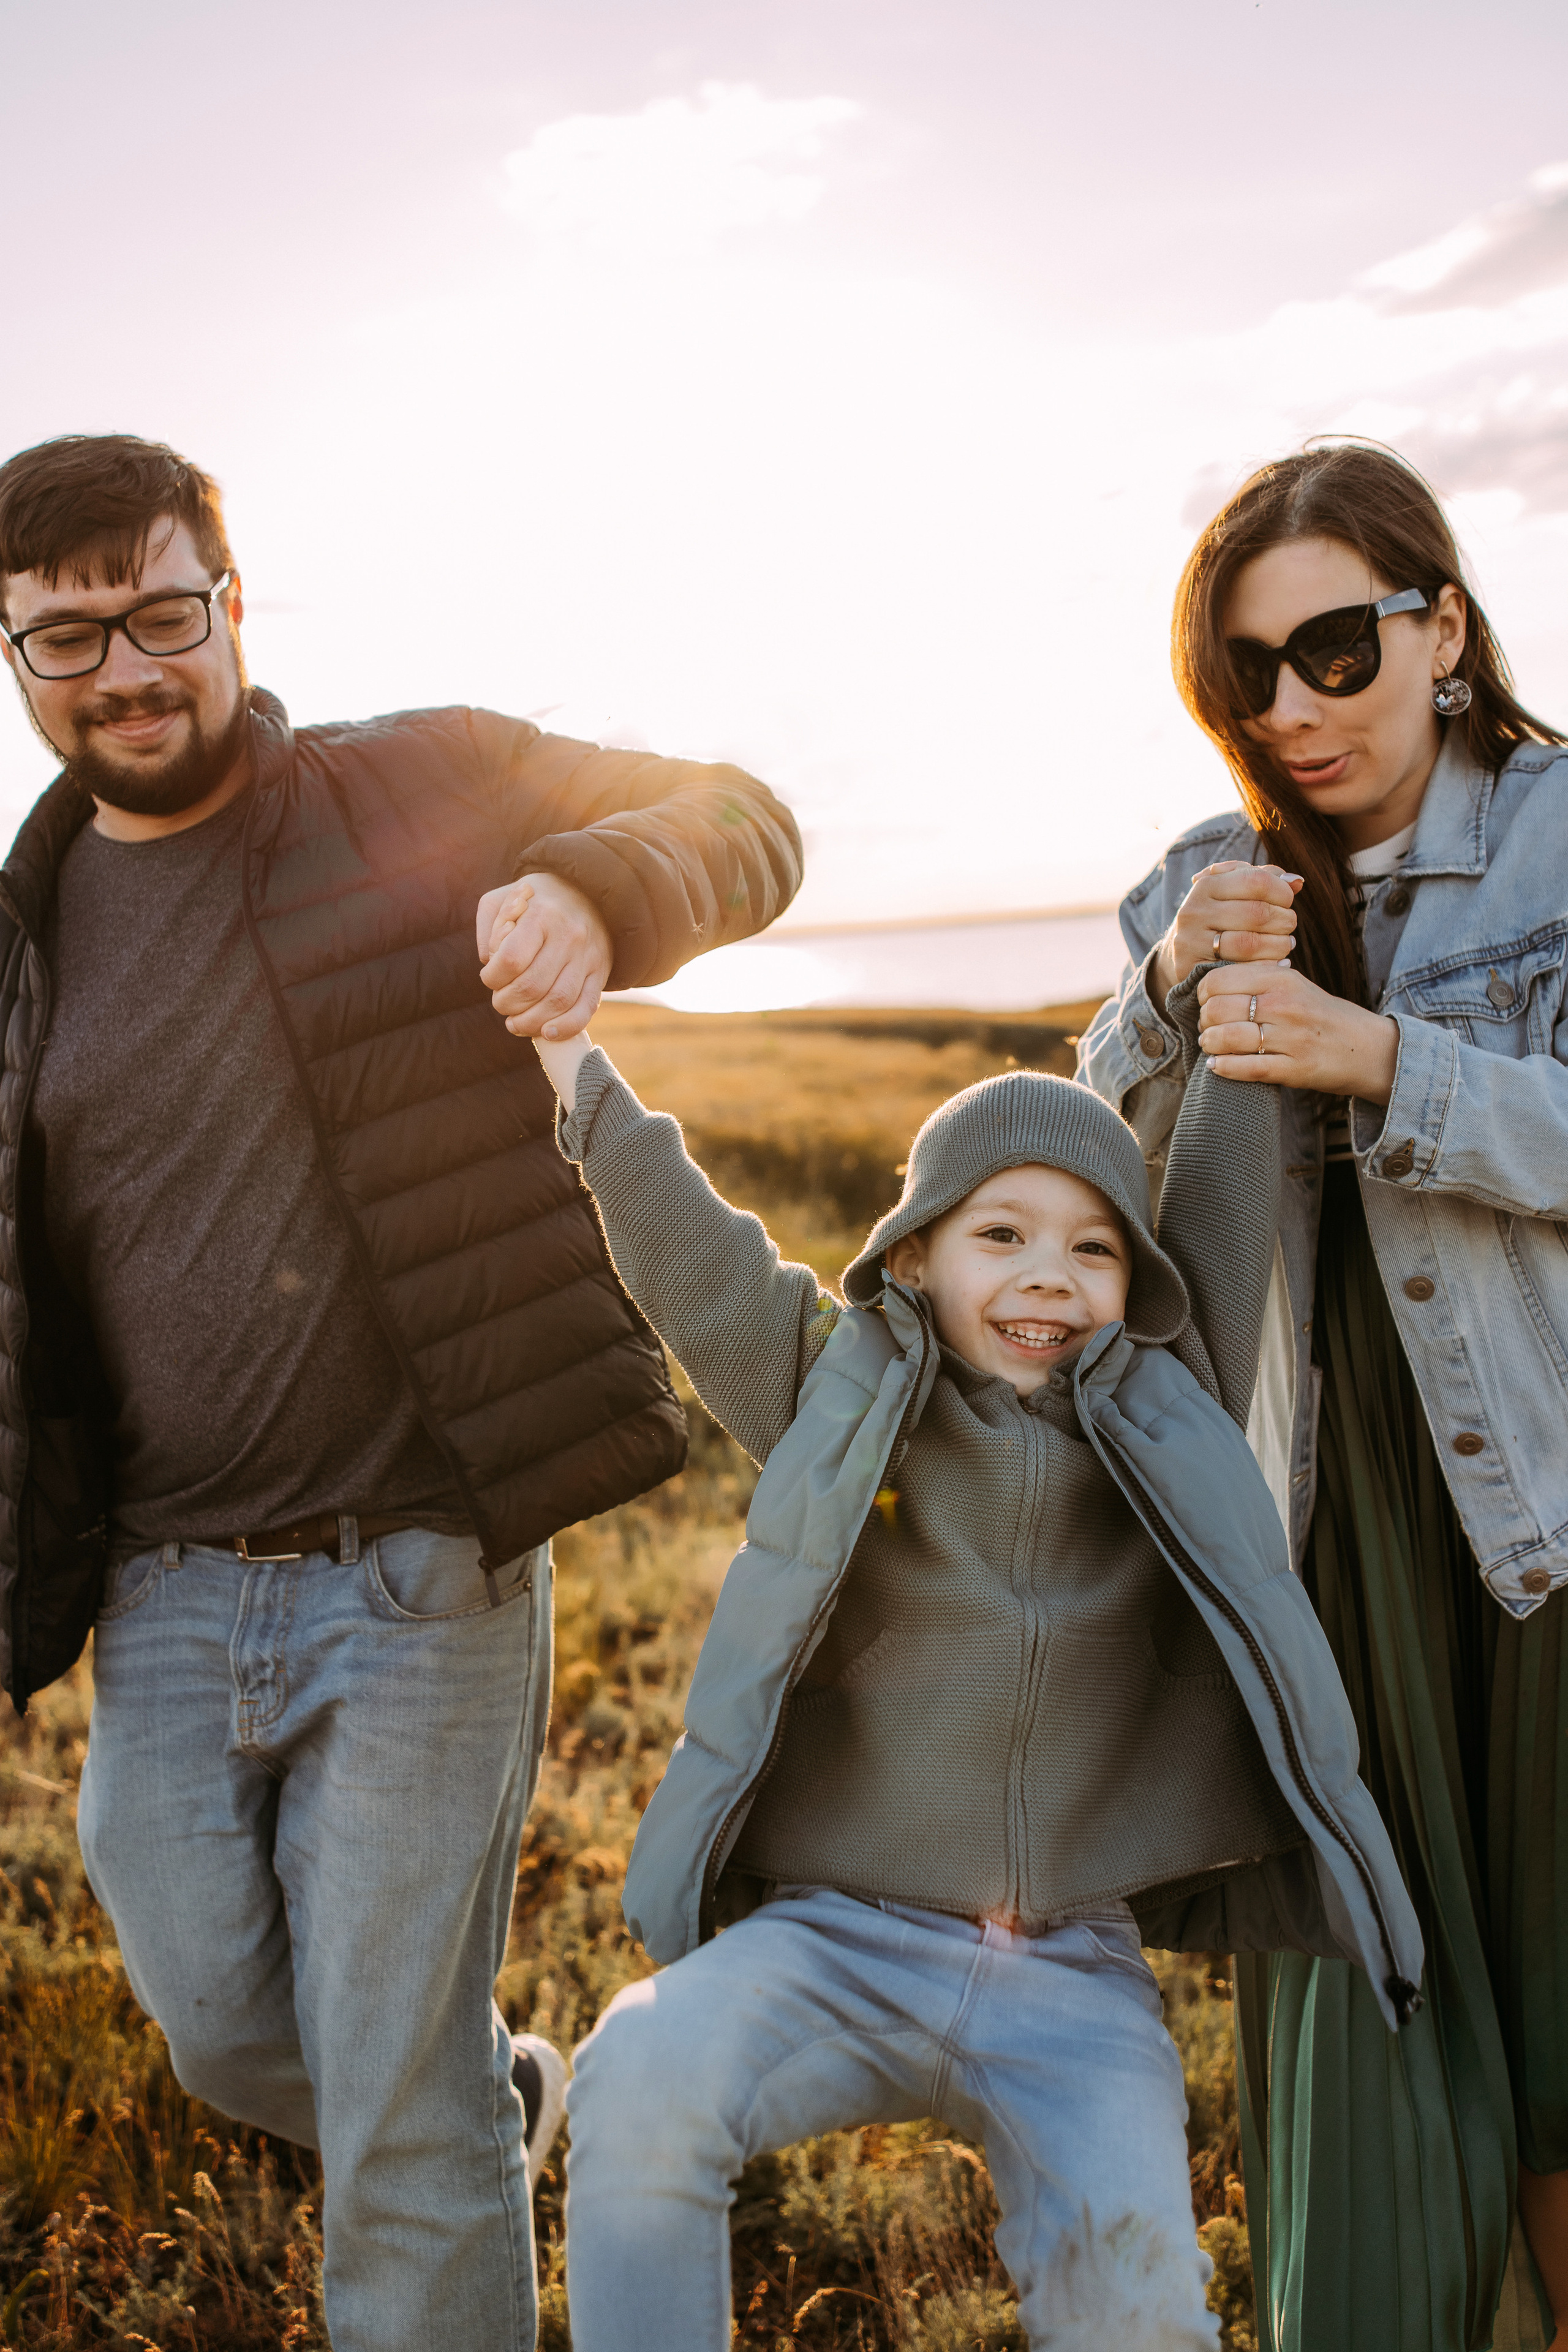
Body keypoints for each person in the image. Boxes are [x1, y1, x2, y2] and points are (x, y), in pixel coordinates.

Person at [0, 431, 801, 2352]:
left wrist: (604, 894)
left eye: (161, 612)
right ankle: (488, 2101)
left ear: (233, 602)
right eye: (64, 638)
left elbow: (746, 815)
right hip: (166, 1593)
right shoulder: (20, 939)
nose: (125, 668)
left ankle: (441, 2141)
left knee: (397, 2137)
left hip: (424, 1567)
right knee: (225, 2026)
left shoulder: (417, 782)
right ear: (16, 661)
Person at [513, 994, 1423, 2350]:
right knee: (639, 2068)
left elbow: (1224, 1212)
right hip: (835, 1940)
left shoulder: (1167, 1412)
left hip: (1071, 1975)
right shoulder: (838, 1398)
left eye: (1091, 1250)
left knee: (1140, 2315)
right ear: (915, 1258)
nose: (1047, 1277)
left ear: (1135, 1286)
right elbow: (695, 1261)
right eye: (999, 1237)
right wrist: (571, 1069)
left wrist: (1232, 979)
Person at [1077, 440, 1568, 2352]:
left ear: (1442, 626)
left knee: (1555, 2038)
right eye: (1249, 680)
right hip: (1320, 1534)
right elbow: (1072, 1191)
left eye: (1339, 649)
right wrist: (1155, 1015)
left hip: (1544, 1502)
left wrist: (1388, 1061)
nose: (1297, 710)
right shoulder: (1207, 885)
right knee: (1365, 2045)